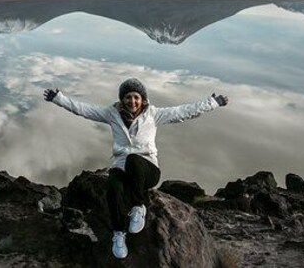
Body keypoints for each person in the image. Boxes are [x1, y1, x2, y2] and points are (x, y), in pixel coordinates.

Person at [42, 78, 229, 259]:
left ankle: (139, 206)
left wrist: (213, 102)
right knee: (113, 189)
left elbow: (184, 111)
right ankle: (119, 233)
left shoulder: (154, 114)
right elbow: (84, 110)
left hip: (147, 170)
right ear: (122, 99)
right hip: (121, 167)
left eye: (136, 97)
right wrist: (59, 99)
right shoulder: (111, 114)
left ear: (143, 99)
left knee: (133, 158)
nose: (132, 101)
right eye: (128, 97)